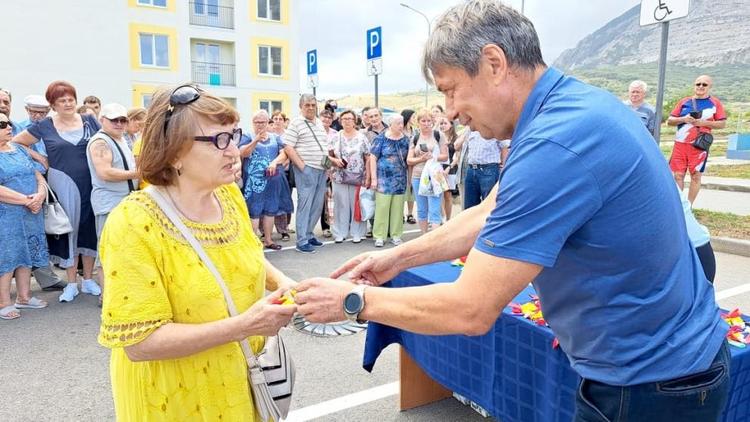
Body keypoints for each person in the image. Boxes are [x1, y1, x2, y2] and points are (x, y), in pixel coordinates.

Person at [294, 2, 730, 420]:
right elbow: (487, 211)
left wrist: (354, 301)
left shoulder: (555, 144)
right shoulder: (561, 110)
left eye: (449, 90)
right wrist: (394, 258)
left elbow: (469, 309)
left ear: (493, 62)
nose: (450, 111)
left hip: (651, 382)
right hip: (659, 364)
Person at [97, 84, 297, 421]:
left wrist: (283, 283)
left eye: (233, 135)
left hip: (239, 376)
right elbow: (140, 343)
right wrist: (245, 325)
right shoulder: (132, 223)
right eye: (219, 140)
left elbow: (242, 254)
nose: (234, 151)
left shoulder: (228, 195)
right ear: (174, 153)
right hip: (175, 398)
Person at [13, 80, 102, 303]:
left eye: (71, 99)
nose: (68, 103)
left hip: (91, 182)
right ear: (53, 104)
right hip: (62, 182)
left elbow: (105, 141)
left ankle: (88, 279)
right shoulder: (45, 125)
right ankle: (72, 282)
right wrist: (40, 157)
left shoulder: (90, 120)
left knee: (88, 228)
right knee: (68, 229)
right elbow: (17, 142)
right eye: (62, 100)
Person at [86, 103, 138, 305]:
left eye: (122, 120)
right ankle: (107, 296)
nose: (119, 123)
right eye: (114, 119)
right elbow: (105, 173)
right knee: (108, 251)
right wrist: (139, 174)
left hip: (124, 202)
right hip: (110, 204)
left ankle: (119, 294)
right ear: (102, 120)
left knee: (125, 251)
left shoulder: (122, 139)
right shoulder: (100, 142)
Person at [0, 112, 49, 320]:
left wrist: (39, 195)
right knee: (9, 256)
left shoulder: (19, 149)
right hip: (8, 214)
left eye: (8, 123)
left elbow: (38, 173)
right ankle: (4, 301)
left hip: (31, 211)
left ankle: (24, 296)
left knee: (27, 252)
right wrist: (26, 200)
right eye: (2, 124)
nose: (9, 127)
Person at [667, 75, 727, 204]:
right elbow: (670, 121)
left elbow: (722, 124)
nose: (700, 86)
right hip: (680, 145)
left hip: (699, 146)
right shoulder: (684, 101)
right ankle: (679, 206)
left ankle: (689, 206)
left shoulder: (715, 103)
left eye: (704, 84)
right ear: (694, 85)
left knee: (695, 176)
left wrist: (703, 123)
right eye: (698, 84)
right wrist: (683, 119)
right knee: (678, 175)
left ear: (709, 87)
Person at [240, 110, 293, 250]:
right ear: (253, 123)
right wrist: (255, 140)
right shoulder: (247, 136)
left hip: (273, 180)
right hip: (254, 182)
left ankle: (268, 240)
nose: (260, 125)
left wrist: (274, 162)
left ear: (267, 122)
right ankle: (253, 242)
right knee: (254, 211)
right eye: (257, 122)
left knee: (271, 209)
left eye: (263, 122)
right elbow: (243, 153)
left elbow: (285, 154)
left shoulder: (275, 137)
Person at [282, 94, 329, 253]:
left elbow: (323, 145)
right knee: (305, 205)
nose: (310, 107)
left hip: (322, 169)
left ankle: (309, 235)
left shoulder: (319, 123)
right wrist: (302, 167)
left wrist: (328, 166)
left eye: (313, 105)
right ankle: (301, 241)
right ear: (301, 107)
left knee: (316, 206)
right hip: (306, 169)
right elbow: (288, 147)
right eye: (307, 105)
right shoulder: (296, 123)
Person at [329, 110, 370, 244]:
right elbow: (327, 155)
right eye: (344, 118)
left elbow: (367, 157)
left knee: (356, 204)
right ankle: (340, 232)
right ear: (340, 121)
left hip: (358, 176)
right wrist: (334, 162)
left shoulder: (362, 137)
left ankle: (357, 232)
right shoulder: (335, 137)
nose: (347, 121)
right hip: (339, 175)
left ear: (355, 121)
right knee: (341, 204)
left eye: (350, 119)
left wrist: (368, 176)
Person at [370, 114, 410, 247]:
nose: (401, 125)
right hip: (383, 180)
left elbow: (408, 160)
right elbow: (372, 158)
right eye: (398, 123)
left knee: (398, 209)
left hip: (400, 179)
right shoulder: (380, 138)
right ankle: (379, 236)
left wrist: (408, 180)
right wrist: (374, 179)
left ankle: (396, 235)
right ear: (390, 124)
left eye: (402, 123)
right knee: (382, 207)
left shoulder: (406, 140)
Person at [407, 108, 448, 234]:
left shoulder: (438, 135)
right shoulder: (415, 138)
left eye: (429, 121)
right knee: (422, 209)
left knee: (435, 208)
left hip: (435, 175)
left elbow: (445, 156)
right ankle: (424, 236)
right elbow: (409, 160)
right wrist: (421, 158)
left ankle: (434, 238)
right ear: (418, 122)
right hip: (418, 175)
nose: (426, 123)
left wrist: (433, 156)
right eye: (423, 121)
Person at [453, 130, 504, 209]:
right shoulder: (471, 129)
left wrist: (503, 166)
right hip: (471, 169)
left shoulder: (494, 126)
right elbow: (456, 146)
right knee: (469, 206)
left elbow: (504, 147)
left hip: (489, 169)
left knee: (489, 205)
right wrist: (467, 130)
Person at [270, 110, 292, 241]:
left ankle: (284, 228)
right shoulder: (268, 135)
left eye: (280, 119)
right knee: (270, 201)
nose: (278, 121)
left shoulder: (287, 135)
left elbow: (289, 153)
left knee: (284, 199)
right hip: (270, 171)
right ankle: (266, 230)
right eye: (275, 118)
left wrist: (284, 163)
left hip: (285, 171)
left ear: (284, 121)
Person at [319, 109, 338, 239]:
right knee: (321, 201)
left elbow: (335, 153)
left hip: (333, 171)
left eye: (329, 118)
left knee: (332, 200)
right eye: (324, 117)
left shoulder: (335, 134)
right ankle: (324, 227)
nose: (326, 120)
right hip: (318, 169)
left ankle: (333, 226)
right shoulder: (316, 132)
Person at [438, 116, 459, 220]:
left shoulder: (456, 138)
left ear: (451, 125)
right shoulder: (437, 137)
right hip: (438, 168)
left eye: (445, 123)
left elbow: (457, 156)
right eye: (441, 123)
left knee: (448, 195)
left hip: (450, 169)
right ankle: (441, 217)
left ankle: (448, 219)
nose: (442, 125)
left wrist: (449, 167)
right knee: (439, 193)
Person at [401, 109, 417, 225]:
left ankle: (410, 213)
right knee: (402, 188)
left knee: (411, 187)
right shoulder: (400, 130)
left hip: (412, 163)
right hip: (401, 164)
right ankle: (400, 213)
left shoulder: (415, 131)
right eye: (413, 117)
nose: (414, 119)